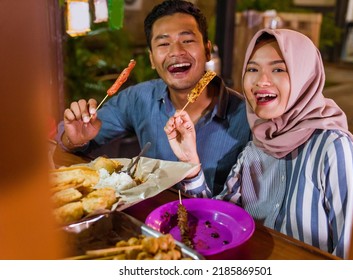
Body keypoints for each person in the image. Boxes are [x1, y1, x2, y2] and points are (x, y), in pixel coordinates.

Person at [164, 28, 353, 258]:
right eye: (252, 69)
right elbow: (218, 224)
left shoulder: (335, 149)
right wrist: (191, 164)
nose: (261, 81)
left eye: (278, 69)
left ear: (304, 77)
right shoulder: (255, 147)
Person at [55, 0, 251, 196]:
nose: (176, 51)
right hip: (147, 217)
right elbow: (74, 137)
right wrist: (73, 138)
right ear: (151, 59)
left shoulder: (246, 117)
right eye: (164, 43)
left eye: (187, 40)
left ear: (207, 50)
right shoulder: (139, 98)